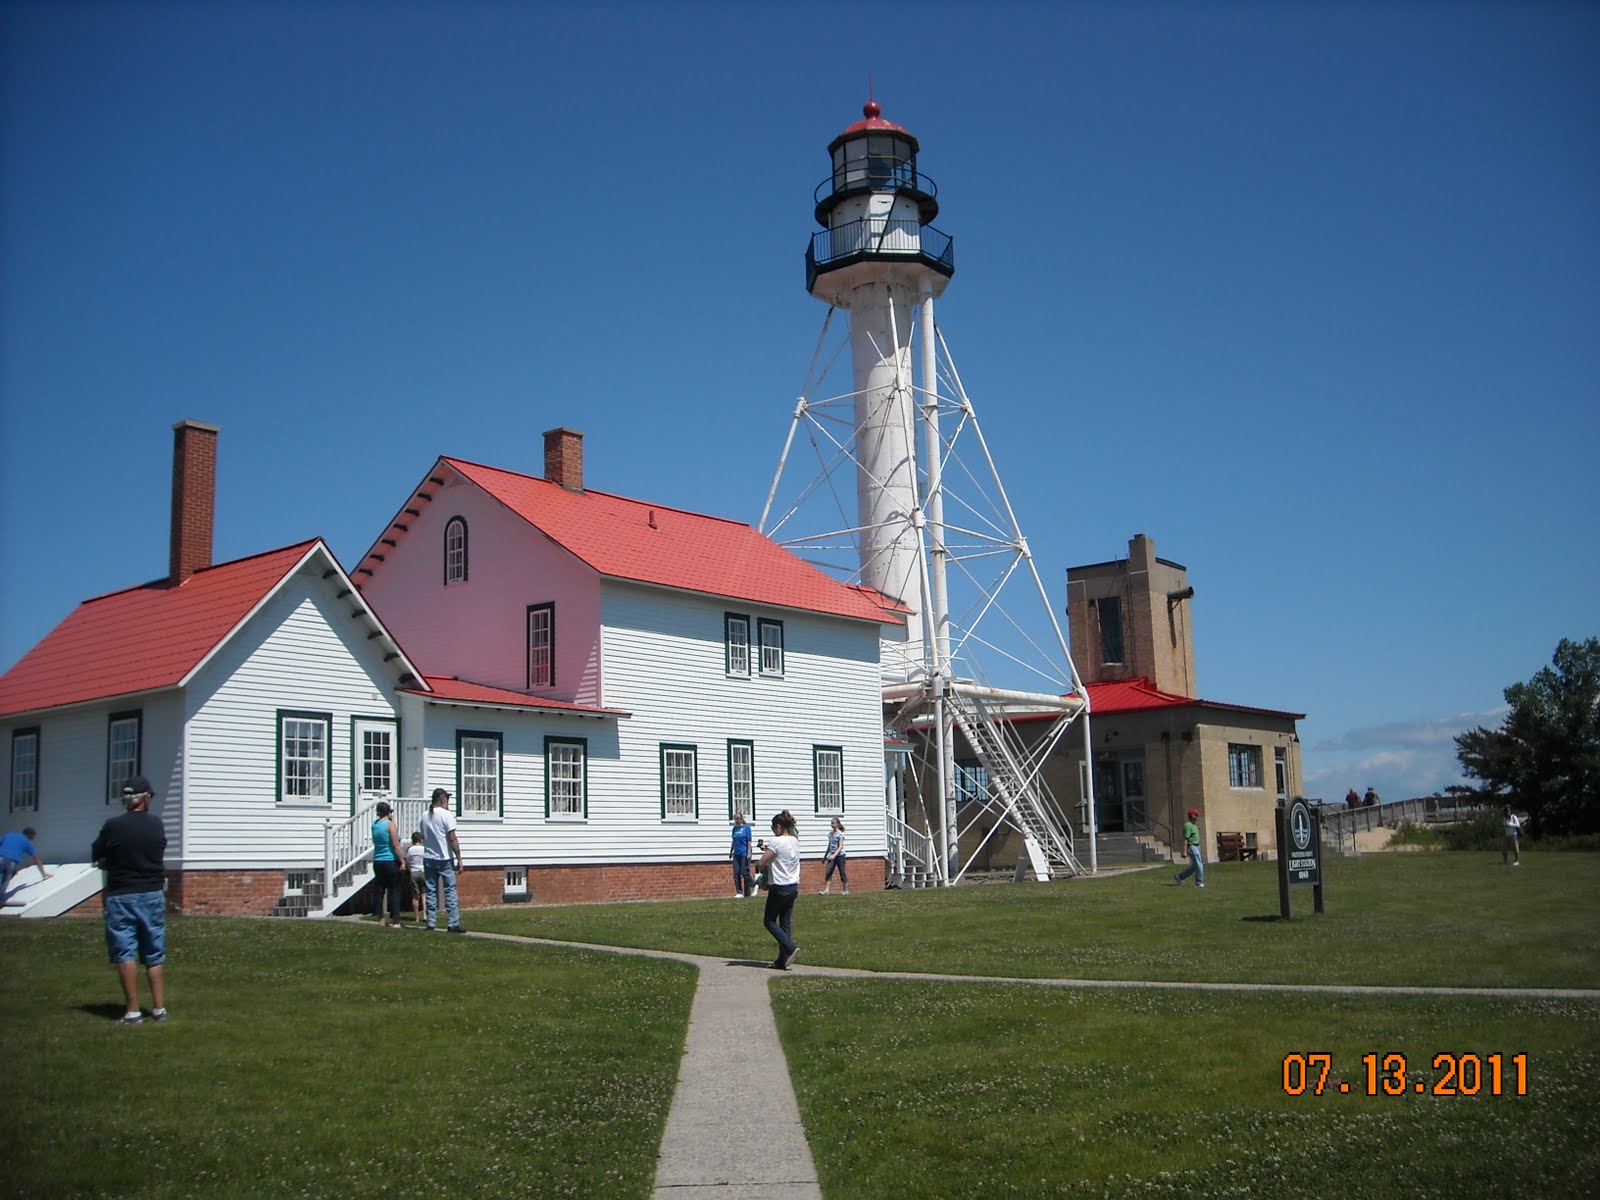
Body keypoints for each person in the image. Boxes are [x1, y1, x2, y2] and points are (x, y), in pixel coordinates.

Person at [91, 776, 168, 1024]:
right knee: (154, 952)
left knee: (125, 951)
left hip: (122, 893)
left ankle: (133, 1011)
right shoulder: (156, 824)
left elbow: (98, 854)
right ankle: (158, 1009)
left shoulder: (112, 825)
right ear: (144, 798)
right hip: (152, 892)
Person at [755, 810, 801, 969]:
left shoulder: (775, 841)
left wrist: (760, 867)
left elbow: (762, 862)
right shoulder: (795, 841)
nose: (772, 830)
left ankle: (791, 947)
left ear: (779, 827)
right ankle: (782, 960)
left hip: (779, 887)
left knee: (769, 921)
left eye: (773, 827)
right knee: (785, 923)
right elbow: (779, 852)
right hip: (793, 886)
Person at [421, 788, 465, 933]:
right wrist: (459, 858)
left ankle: (431, 922)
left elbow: (424, 837)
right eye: (446, 798)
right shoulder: (446, 815)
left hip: (428, 857)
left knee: (431, 891)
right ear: (442, 799)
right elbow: (452, 838)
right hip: (444, 858)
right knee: (450, 891)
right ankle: (453, 923)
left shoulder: (424, 816)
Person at [371, 801, 405, 927]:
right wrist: (402, 861)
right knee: (394, 890)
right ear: (388, 812)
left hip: (378, 860)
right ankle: (396, 919)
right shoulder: (390, 825)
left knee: (379, 890)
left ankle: (380, 918)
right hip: (390, 860)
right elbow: (395, 845)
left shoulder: (374, 825)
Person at [0, 826, 51, 900]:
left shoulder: (9, 835)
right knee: (4, 882)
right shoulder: (27, 843)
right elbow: (36, 859)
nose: (34, 838)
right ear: (30, 835)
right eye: (34, 836)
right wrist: (43, 874)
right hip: (10, 863)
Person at [1174, 808, 1204, 888]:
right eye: (1195, 815)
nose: (1197, 816)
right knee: (1199, 865)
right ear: (1191, 815)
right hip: (1191, 846)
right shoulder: (1188, 825)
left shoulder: (1194, 825)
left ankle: (1179, 876)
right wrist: (1184, 851)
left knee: (1195, 866)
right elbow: (1185, 839)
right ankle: (1199, 882)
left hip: (1196, 846)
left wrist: (1199, 847)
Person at [820, 816, 848, 895]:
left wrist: (835, 855)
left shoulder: (840, 834)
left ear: (837, 824)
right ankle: (826, 890)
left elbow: (840, 846)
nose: (832, 825)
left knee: (842, 872)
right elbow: (829, 846)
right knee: (828, 872)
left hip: (840, 856)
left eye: (833, 823)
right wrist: (825, 857)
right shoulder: (830, 834)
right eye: (831, 823)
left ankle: (845, 890)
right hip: (831, 855)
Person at [406, 832, 427, 924]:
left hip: (414, 872)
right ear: (421, 839)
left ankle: (417, 918)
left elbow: (407, 861)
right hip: (423, 871)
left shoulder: (410, 850)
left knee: (415, 896)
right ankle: (425, 915)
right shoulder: (424, 849)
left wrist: (409, 868)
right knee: (424, 895)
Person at [730, 813, 753, 898]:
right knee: (736, 874)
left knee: (744, 872)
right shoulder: (734, 829)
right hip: (736, 853)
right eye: (735, 819)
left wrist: (749, 852)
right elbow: (733, 840)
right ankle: (739, 892)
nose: (736, 820)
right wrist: (731, 851)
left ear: (741, 819)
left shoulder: (746, 828)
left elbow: (749, 841)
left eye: (738, 818)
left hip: (744, 853)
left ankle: (753, 885)